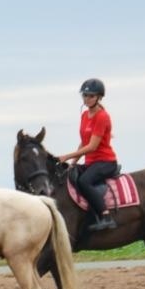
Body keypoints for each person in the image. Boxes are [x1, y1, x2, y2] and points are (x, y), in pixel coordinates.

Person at [56, 77, 118, 233]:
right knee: (72, 176)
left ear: (99, 97)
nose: (87, 99)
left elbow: (92, 146)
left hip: (106, 162)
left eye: (91, 96)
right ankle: (89, 214)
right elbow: (84, 142)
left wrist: (67, 156)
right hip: (91, 162)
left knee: (84, 181)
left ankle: (106, 216)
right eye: (85, 95)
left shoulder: (102, 117)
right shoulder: (84, 115)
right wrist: (73, 163)